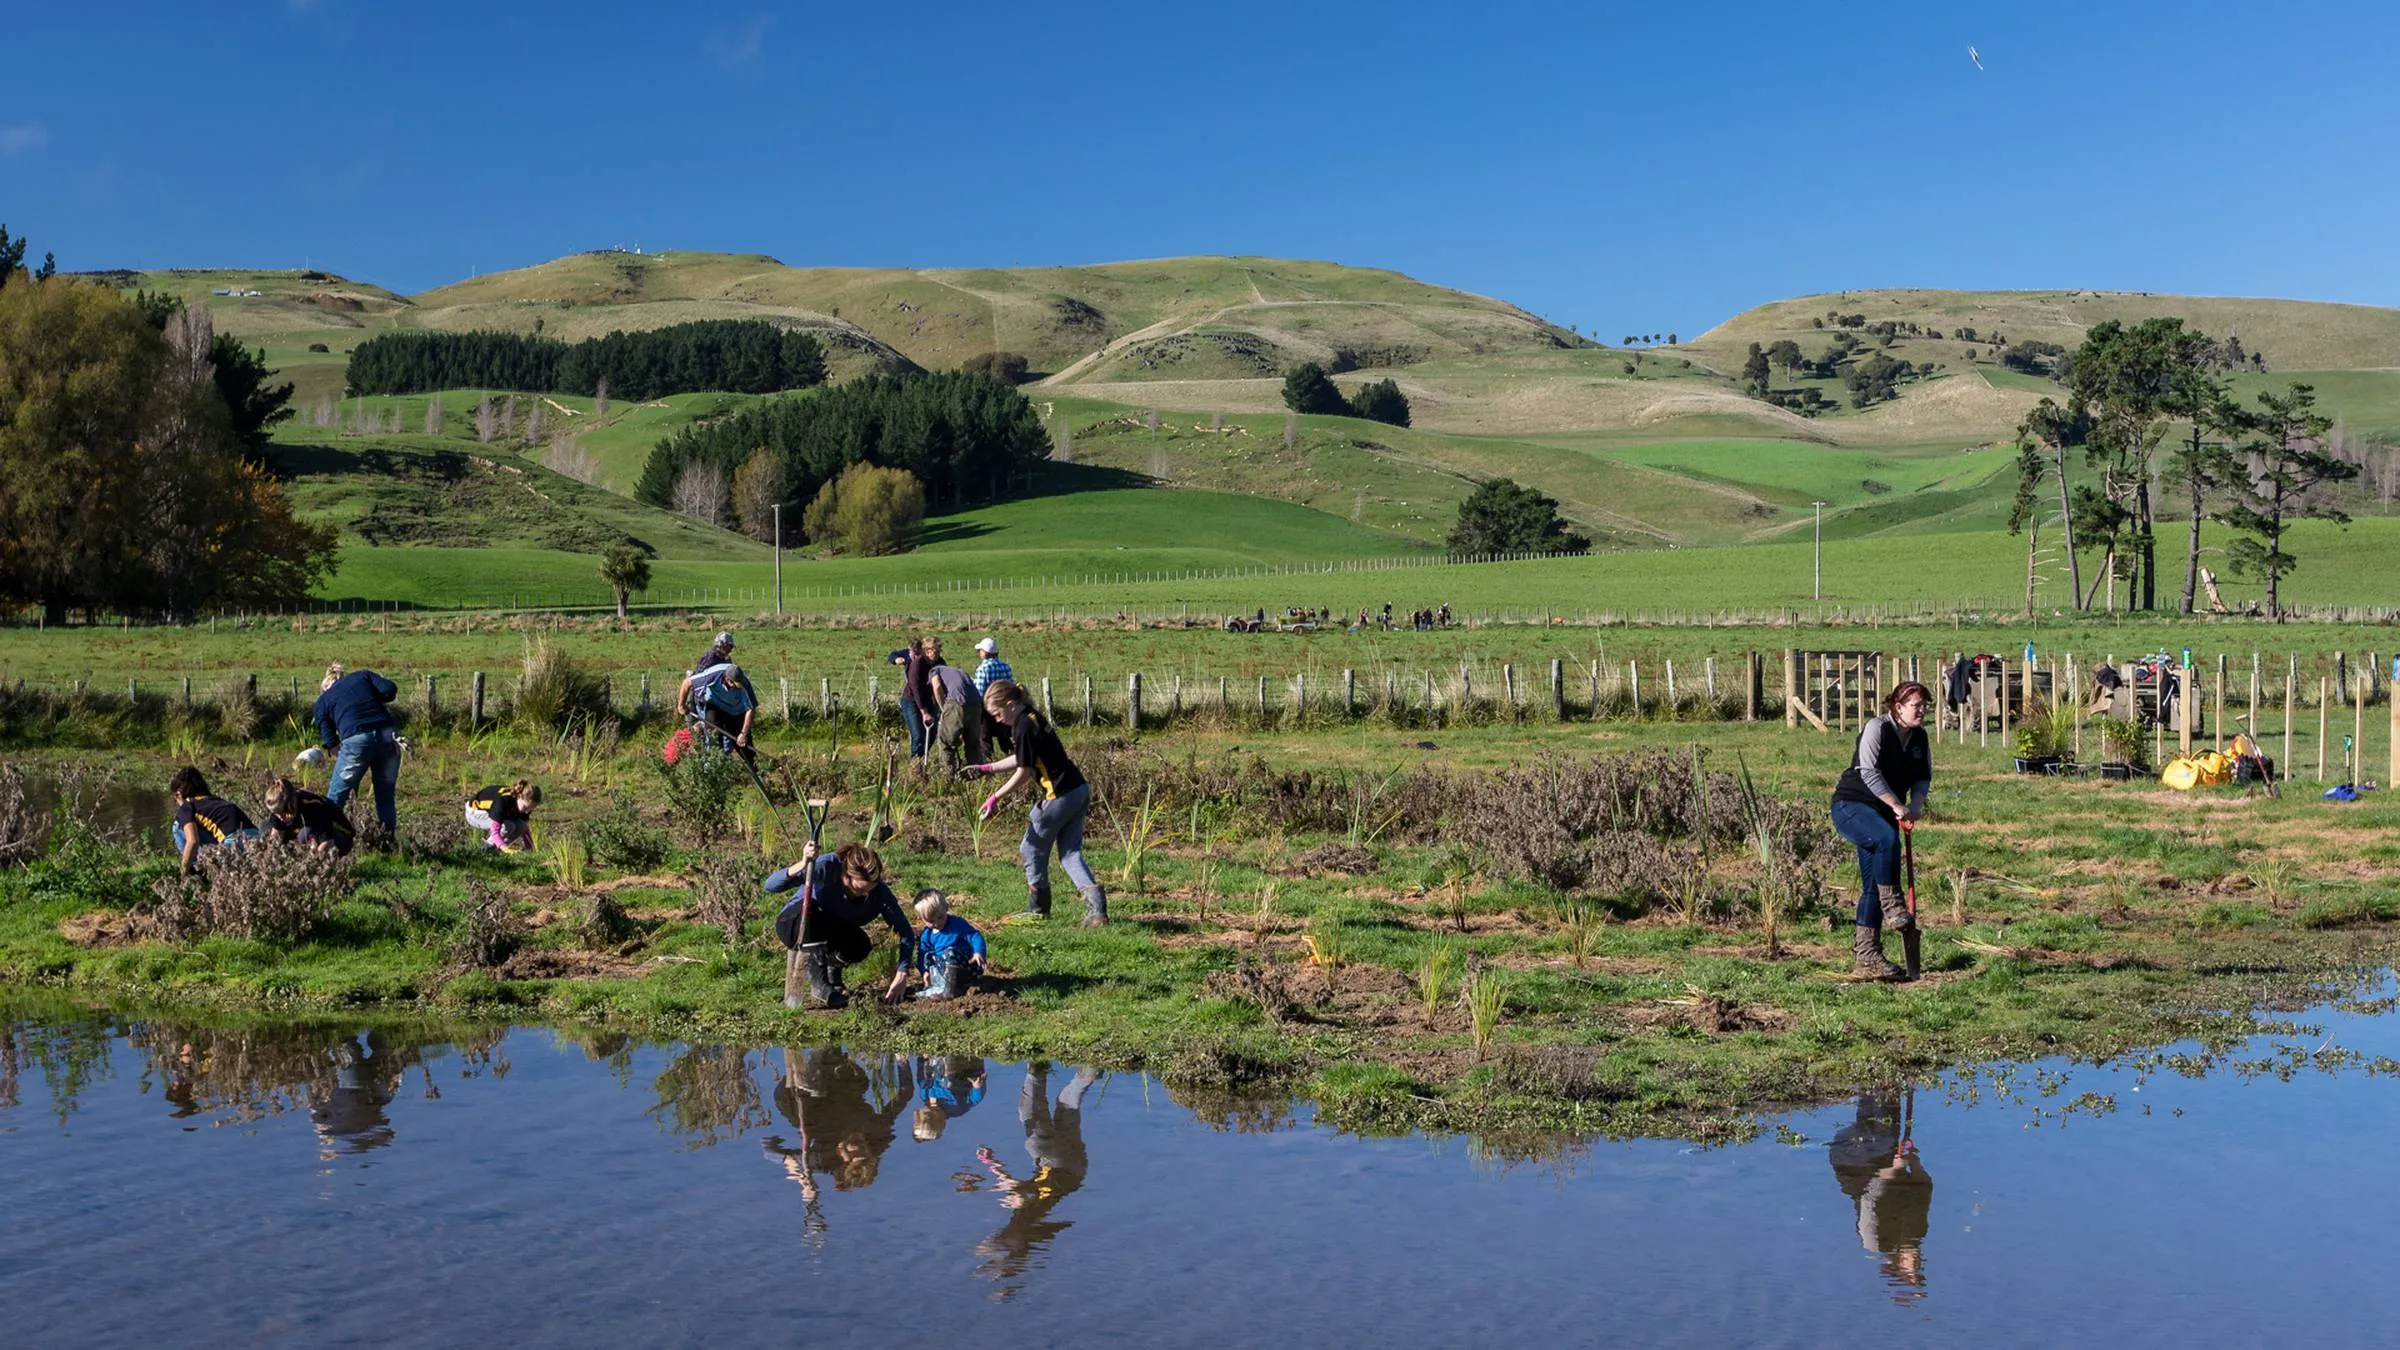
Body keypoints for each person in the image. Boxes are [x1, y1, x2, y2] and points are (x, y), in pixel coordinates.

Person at [970, 678, 1106, 925]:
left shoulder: (1022, 725)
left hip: (1059, 795)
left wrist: (995, 797)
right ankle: (1097, 911)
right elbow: (1025, 757)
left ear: (1010, 704)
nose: (997, 720)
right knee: (1070, 854)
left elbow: (1023, 771)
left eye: (997, 714)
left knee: (1030, 848)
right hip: (1078, 789)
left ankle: (1038, 910)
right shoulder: (1032, 716)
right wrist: (987, 768)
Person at [1830, 681, 1933, 980]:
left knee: (1872, 884)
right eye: (1916, 705)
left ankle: (1867, 956)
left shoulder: (1919, 738)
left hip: (1882, 813)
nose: (1922, 710)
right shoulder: (1877, 728)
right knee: (1887, 839)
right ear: (1898, 707)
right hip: (1852, 805)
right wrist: (1896, 805)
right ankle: (1893, 907)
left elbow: (1922, 777)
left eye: (1924, 704)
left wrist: (1915, 805)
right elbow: (1868, 772)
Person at [975, 1061, 1102, 1297]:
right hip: (1053, 1163)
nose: (991, 1238)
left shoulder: (1033, 1224)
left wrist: (992, 1164)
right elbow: (1020, 1191)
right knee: (1031, 1114)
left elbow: (1016, 1187)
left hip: (1075, 1173)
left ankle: (1089, 1073)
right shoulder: (1023, 1220)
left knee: (1067, 1109)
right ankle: (1036, 1068)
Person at [765, 840, 914, 1009]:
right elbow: (770, 886)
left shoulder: (879, 893)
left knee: (860, 945)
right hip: (794, 924)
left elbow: (906, 932)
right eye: (858, 890)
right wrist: (803, 864)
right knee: (812, 911)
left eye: (869, 889)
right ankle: (820, 986)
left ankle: (832, 970)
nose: (865, 894)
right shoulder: (826, 866)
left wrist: (902, 972)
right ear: (845, 875)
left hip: (830, 930)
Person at [1827, 1090, 1934, 1302]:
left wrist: (1895, 1167)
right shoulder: (1918, 1232)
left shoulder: (1874, 1242)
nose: (1916, 1262)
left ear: (1898, 1265)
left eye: (1910, 1270)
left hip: (1854, 1164)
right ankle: (1879, 1080)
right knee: (1888, 1123)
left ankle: (1873, 1084)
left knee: (1884, 1129)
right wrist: (1913, 1161)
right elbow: (1925, 1187)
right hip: (1883, 1157)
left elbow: (1870, 1196)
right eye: (1917, 1268)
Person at [312, 663, 402, 836]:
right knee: (385, 795)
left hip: (356, 740)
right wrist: (371, 697)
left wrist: (342, 756)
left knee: (336, 797)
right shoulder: (362, 676)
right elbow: (390, 689)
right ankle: (387, 842)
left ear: (325, 687)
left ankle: (327, 841)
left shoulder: (323, 700)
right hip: (389, 735)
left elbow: (330, 740)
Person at [168, 766, 258, 876]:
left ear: (178, 794)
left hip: (234, 845)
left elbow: (193, 841)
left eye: (175, 799)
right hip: (257, 842)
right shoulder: (216, 801)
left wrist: (183, 872)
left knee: (177, 825)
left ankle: (195, 870)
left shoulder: (187, 807)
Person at [679, 648, 759, 764]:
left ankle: (756, 772)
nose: (737, 687)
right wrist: (681, 705)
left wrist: (743, 733)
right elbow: (686, 683)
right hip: (715, 707)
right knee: (713, 739)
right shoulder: (712, 675)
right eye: (735, 685)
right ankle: (714, 769)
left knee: (744, 746)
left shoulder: (744, 684)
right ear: (727, 680)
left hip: (736, 712)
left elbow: (751, 708)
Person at [909, 889, 988, 999]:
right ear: (921, 919)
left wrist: (978, 952)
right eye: (931, 921)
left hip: (967, 968)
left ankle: (948, 991)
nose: (936, 923)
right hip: (943, 970)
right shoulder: (926, 935)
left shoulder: (957, 924)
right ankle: (939, 985)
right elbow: (922, 955)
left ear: (946, 908)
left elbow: (974, 936)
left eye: (940, 917)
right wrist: (925, 972)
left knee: (950, 952)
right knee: (928, 956)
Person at [262, 777, 355, 856]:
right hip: (306, 829)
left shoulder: (313, 806)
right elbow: (276, 834)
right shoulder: (280, 808)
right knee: (265, 826)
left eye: (283, 813)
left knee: (305, 835)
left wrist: (309, 865)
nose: (280, 817)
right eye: (276, 814)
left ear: (292, 801)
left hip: (340, 836)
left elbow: (327, 842)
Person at [928, 646, 985, 771]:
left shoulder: (934, 671)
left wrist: (943, 708)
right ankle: (976, 774)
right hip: (976, 705)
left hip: (957, 703)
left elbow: (937, 686)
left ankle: (950, 775)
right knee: (973, 744)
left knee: (946, 742)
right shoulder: (960, 672)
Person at [912, 1054, 988, 1141]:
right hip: (960, 1073)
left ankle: (927, 1056)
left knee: (924, 1081)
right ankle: (952, 1056)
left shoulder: (925, 1097)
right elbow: (973, 1100)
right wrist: (977, 1088)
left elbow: (921, 1079)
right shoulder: (956, 1109)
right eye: (933, 1115)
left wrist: (922, 1061)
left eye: (926, 1113)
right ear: (941, 1121)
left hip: (936, 1067)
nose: (931, 1110)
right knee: (949, 1084)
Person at [465, 780, 542, 851]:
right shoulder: (503, 801)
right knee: (508, 826)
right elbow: (494, 830)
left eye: (530, 808)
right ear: (519, 796)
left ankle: (495, 849)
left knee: (520, 825)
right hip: (473, 813)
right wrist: (505, 849)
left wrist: (530, 848)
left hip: (491, 812)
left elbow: (524, 828)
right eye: (525, 807)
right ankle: (485, 849)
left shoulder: (525, 805)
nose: (527, 811)